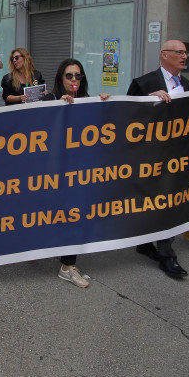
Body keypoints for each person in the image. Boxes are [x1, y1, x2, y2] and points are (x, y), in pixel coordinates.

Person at [126, 39, 189, 279]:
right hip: (149, 157)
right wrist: (148, 100)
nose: (184, 56)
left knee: (169, 202)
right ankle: (146, 244)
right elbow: (127, 116)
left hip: (175, 157)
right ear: (164, 55)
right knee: (151, 202)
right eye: (179, 52)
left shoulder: (185, 83)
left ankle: (166, 254)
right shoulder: (143, 83)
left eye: (186, 52)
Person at [43, 58, 110, 287]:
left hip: (79, 173)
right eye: (69, 75)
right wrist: (56, 108)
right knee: (51, 215)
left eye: (78, 76)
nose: (74, 80)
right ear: (61, 78)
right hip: (54, 173)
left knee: (75, 215)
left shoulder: (88, 101)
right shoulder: (50, 99)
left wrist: (104, 105)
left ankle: (68, 266)